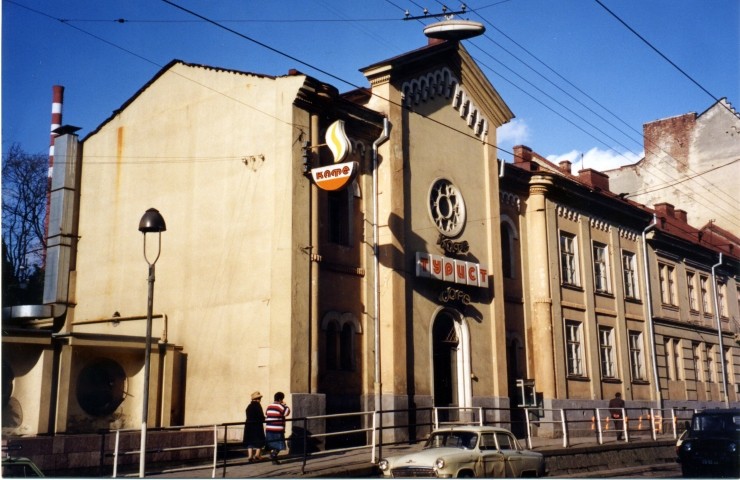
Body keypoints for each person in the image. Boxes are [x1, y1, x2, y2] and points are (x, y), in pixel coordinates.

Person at [265, 391, 291, 464]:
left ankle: (273, 457)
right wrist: (285, 405)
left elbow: (266, 413)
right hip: (277, 429)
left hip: (269, 428)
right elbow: (287, 412)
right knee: (279, 444)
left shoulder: (269, 406)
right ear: (280, 399)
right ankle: (273, 456)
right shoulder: (281, 406)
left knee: (271, 444)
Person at [243, 391, 265, 462]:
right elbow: (261, 416)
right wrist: (264, 419)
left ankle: (250, 456)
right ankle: (257, 455)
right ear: (258, 399)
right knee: (260, 440)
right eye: (260, 398)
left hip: (249, 425)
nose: (260, 399)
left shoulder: (249, 406)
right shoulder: (258, 406)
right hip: (257, 426)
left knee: (250, 441)